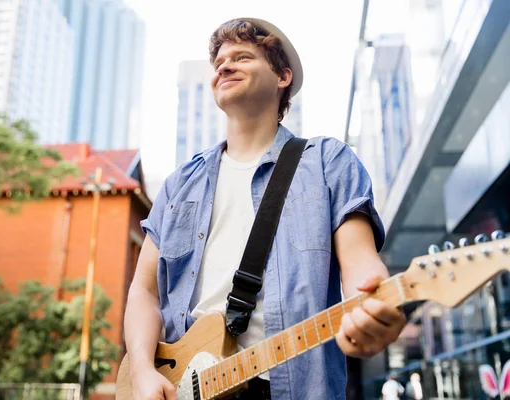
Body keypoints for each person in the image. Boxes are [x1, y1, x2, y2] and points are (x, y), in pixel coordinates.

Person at [124, 17, 407, 400]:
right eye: (219, 61)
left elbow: (361, 263)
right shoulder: (180, 183)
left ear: (282, 77)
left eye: (242, 57)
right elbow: (145, 293)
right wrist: (141, 370)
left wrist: (372, 305)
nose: (224, 66)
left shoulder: (328, 161)